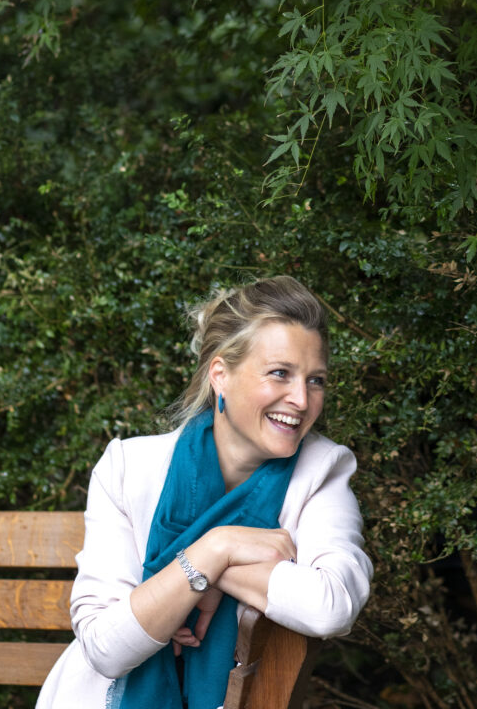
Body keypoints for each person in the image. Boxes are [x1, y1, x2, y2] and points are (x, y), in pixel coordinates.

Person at [36, 276, 373, 709]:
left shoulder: (321, 471)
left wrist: (186, 577)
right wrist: (217, 546)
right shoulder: (127, 468)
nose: (302, 400)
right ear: (221, 375)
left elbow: (332, 605)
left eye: (316, 380)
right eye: (280, 374)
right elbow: (105, 648)